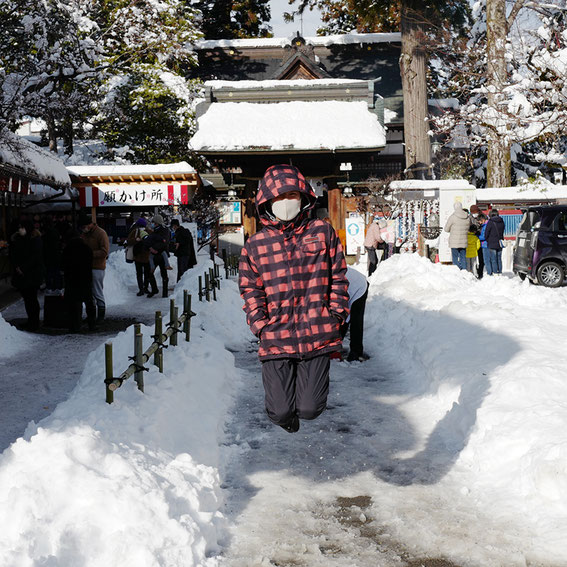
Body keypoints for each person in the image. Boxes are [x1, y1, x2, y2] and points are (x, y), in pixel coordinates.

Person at [239, 164, 349, 434]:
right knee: (280, 412)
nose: (286, 203)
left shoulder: (322, 232)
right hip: (276, 334)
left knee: (311, 408)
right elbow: (250, 288)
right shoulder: (256, 244)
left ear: (303, 198)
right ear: (267, 201)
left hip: (318, 330)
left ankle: (302, 407)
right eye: (279, 198)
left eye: (292, 196)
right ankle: (286, 418)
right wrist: (260, 324)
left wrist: (336, 313)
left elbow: (338, 274)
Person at [9, 219, 44, 331]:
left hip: (31, 274)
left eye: (22, 227)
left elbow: (35, 257)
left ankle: (34, 322)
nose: (20, 229)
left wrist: (22, 268)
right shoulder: (19, 239)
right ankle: (32, 321)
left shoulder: (35, 240)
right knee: (28, 299)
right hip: (24, 274)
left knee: (31, 299)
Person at [62, 230, 96, 332]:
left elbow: (63, 264)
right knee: (89, 303)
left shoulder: (67, 249)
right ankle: (92, 324)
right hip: (85, 279)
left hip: (72, 280)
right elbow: (90, 263)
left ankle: (75, 326)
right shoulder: (87, 248)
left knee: (74, 305)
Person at [79, 213, 109, 321]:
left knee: (97, 291)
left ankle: (100, 315)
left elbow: (104, 251)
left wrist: (89, 254)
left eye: (84, 227)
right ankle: (92, 315)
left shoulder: (101, 233)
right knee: (89, 292)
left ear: (90, 224)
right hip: (87, 267)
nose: (83, 229)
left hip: (98, 267)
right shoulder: (85, 234)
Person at [341, 267, 369, 362]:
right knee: (343, 318)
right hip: (348, 287)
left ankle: (356, 352)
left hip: (359, 287)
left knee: (355, 320)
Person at [144, 214, 171, 298]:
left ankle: (165, 292)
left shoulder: (165, 230)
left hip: (161, 254)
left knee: (164, 274)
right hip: (154, 254)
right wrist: (150, 248)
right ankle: (154, 289)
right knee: (149, 272)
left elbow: (164, 243)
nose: (153, 224)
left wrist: (154, 248)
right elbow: (148, 241)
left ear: (158, 223)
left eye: (154, 223)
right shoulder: (154, 231)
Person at [126, 218, 151, 296]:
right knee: (141, 273)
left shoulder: (148, 232)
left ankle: (144, 288)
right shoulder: (135, 232)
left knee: (144, 274)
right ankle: (142, 289)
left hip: (145, 256)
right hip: (139, 256)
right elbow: (129, 241)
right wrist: (136, 239)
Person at [444, 202, 470, 270]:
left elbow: (446, 229)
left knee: (455, 257)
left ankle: (457, 271)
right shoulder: (467, 217)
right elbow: (468, 228)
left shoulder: (453, 217)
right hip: (464, 240)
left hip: (454, 241)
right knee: (463, 257)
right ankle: (464, 271)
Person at [484, 208, 505, 275]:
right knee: (499, 258)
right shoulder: (502, 221)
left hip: (492, 243)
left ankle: (495, 272)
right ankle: (500, 271)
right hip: (499, 242)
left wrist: (488, 240)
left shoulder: (490, 222)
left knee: (493, 259)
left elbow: (486, 233)